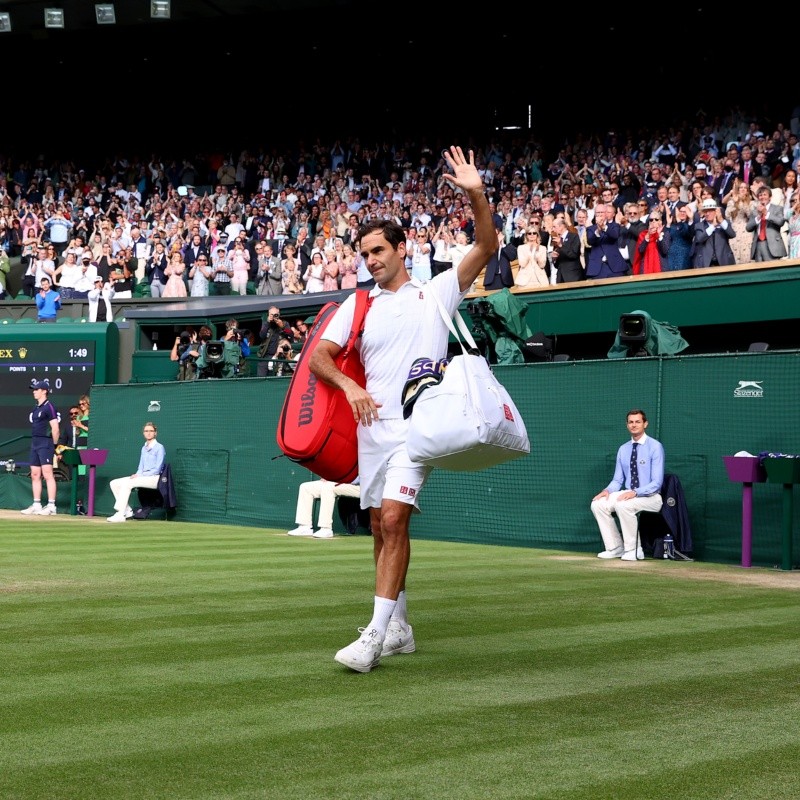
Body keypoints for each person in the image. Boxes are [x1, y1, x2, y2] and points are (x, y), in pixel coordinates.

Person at [307, 145, 495, 673]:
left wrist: (475, 193)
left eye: (378, 251)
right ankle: (400, 628)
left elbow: (486, 244)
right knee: (376, 525)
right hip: (373, 432)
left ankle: (372, 636)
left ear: (401, 248)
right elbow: (319, 357)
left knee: (394, 519)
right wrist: (349, 385)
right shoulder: (358, 303)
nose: (370, 261)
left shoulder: (437, 293)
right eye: (364, 254)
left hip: (419, 428)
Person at [590, 409, 665, 562]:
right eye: (631, 422)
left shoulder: (655, 447)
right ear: (627, 425)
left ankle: (634, 550)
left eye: (638, 422)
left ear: (645, 424)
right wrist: (607, 491)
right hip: (629, 494)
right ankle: (615, 548)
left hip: (652, 497)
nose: (634, 425)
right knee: (597, 504)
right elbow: (617, 480)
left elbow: (657, 483)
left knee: (623, 505)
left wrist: (635, 492)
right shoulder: (623, 449)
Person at [107, 421, 166, 523]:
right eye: (146, 431)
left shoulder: (159, 447)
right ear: (143, 433)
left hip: (155, 478)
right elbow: (141, 466)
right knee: (114, 483)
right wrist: (138, 474)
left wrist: (140, 475)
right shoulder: (143, 448)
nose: (148, 433)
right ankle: (128, 510)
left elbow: (157, 469)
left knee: (128, 483)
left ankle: (120, 514)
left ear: (155, 433)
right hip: (143, 477)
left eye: (151, 431)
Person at [21, 378, 60, 516]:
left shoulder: (49, 407)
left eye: (36, 389)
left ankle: (51, 506)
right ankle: (37, 504)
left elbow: (55, 429)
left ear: (44, 391)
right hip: (35, 443)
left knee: (48, 474)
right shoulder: (36, 407)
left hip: (46, 443)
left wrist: (54, 446)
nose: (34, 392)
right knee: (35, 474)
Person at [287, 478, 362, 539]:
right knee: (305, 487)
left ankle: (326, 528)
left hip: (362, 487)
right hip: (340, 482)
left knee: (328, 487)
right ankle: (304, 527)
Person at [746, 184, 787, 262]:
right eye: (760, 195)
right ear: (758, 198)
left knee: (773, 271)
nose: (762, 197)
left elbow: (781, 222)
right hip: (758, 245)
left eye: (765, 194)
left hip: (773, 245)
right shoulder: (755, 211)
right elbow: (748, 228)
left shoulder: (777, 208)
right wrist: (758, 217)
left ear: (770, 197)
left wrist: (766, 213)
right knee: (759, 272)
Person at [693, 198, 736, 267]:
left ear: (716, 211)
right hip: (706, 263)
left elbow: (732, 234)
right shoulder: (699, 225)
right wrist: (713, 226)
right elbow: (700, 239)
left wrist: (721, 221)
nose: (707, 214)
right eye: (705, 211)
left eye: (710, 211)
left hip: (724, 261)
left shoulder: (724, 223)